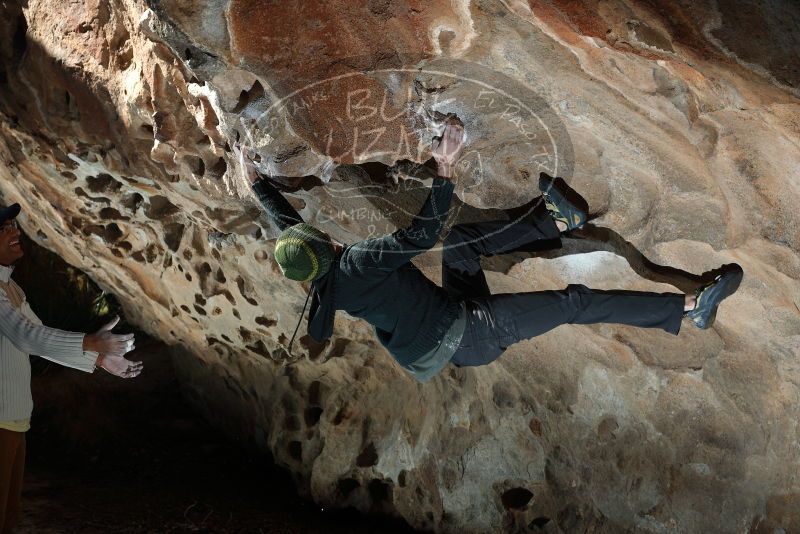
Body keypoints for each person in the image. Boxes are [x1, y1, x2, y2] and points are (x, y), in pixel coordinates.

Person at [238, 119, 743, 381]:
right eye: (326, 240)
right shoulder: (356, 263)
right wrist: (445, 169)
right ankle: (689, 308)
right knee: (574, 303)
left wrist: (256, 182)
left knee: (461, 246)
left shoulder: (323, 279)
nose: (329, 236)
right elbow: (417, 236)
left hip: (447, 317)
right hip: (470, 336)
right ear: (330, 250)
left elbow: (290, 229)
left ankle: (556, 219)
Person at [0, 202, 142, 533]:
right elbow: (28, 336)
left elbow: (40, 336)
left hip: (13, 419)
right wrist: (91, 344)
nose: (14, 233)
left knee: (8, 517)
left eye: (12, 226)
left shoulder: (11, 288)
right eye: (3, 230)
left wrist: (99, 358)